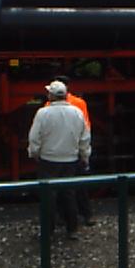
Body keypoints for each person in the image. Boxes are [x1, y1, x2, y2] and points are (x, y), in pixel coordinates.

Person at [28, 80, 90, 240]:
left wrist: (34, 153)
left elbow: (34, 137)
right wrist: (84, 156)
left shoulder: (43, 113)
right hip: (70, 159)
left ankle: (48, 231)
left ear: (51, 95)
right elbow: (85, 137)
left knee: (48, 196)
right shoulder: (77, 112)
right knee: (69, 194)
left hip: (48, 159)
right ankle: (72, 229)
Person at [51, 75, 95, 226]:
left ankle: (62, 218)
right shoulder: (79, 103)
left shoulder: (46, 107)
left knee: (58, 188)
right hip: (75, 149)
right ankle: (86, 215)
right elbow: (86, 129)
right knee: (79, 185)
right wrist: (85, 153)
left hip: (56, 152)